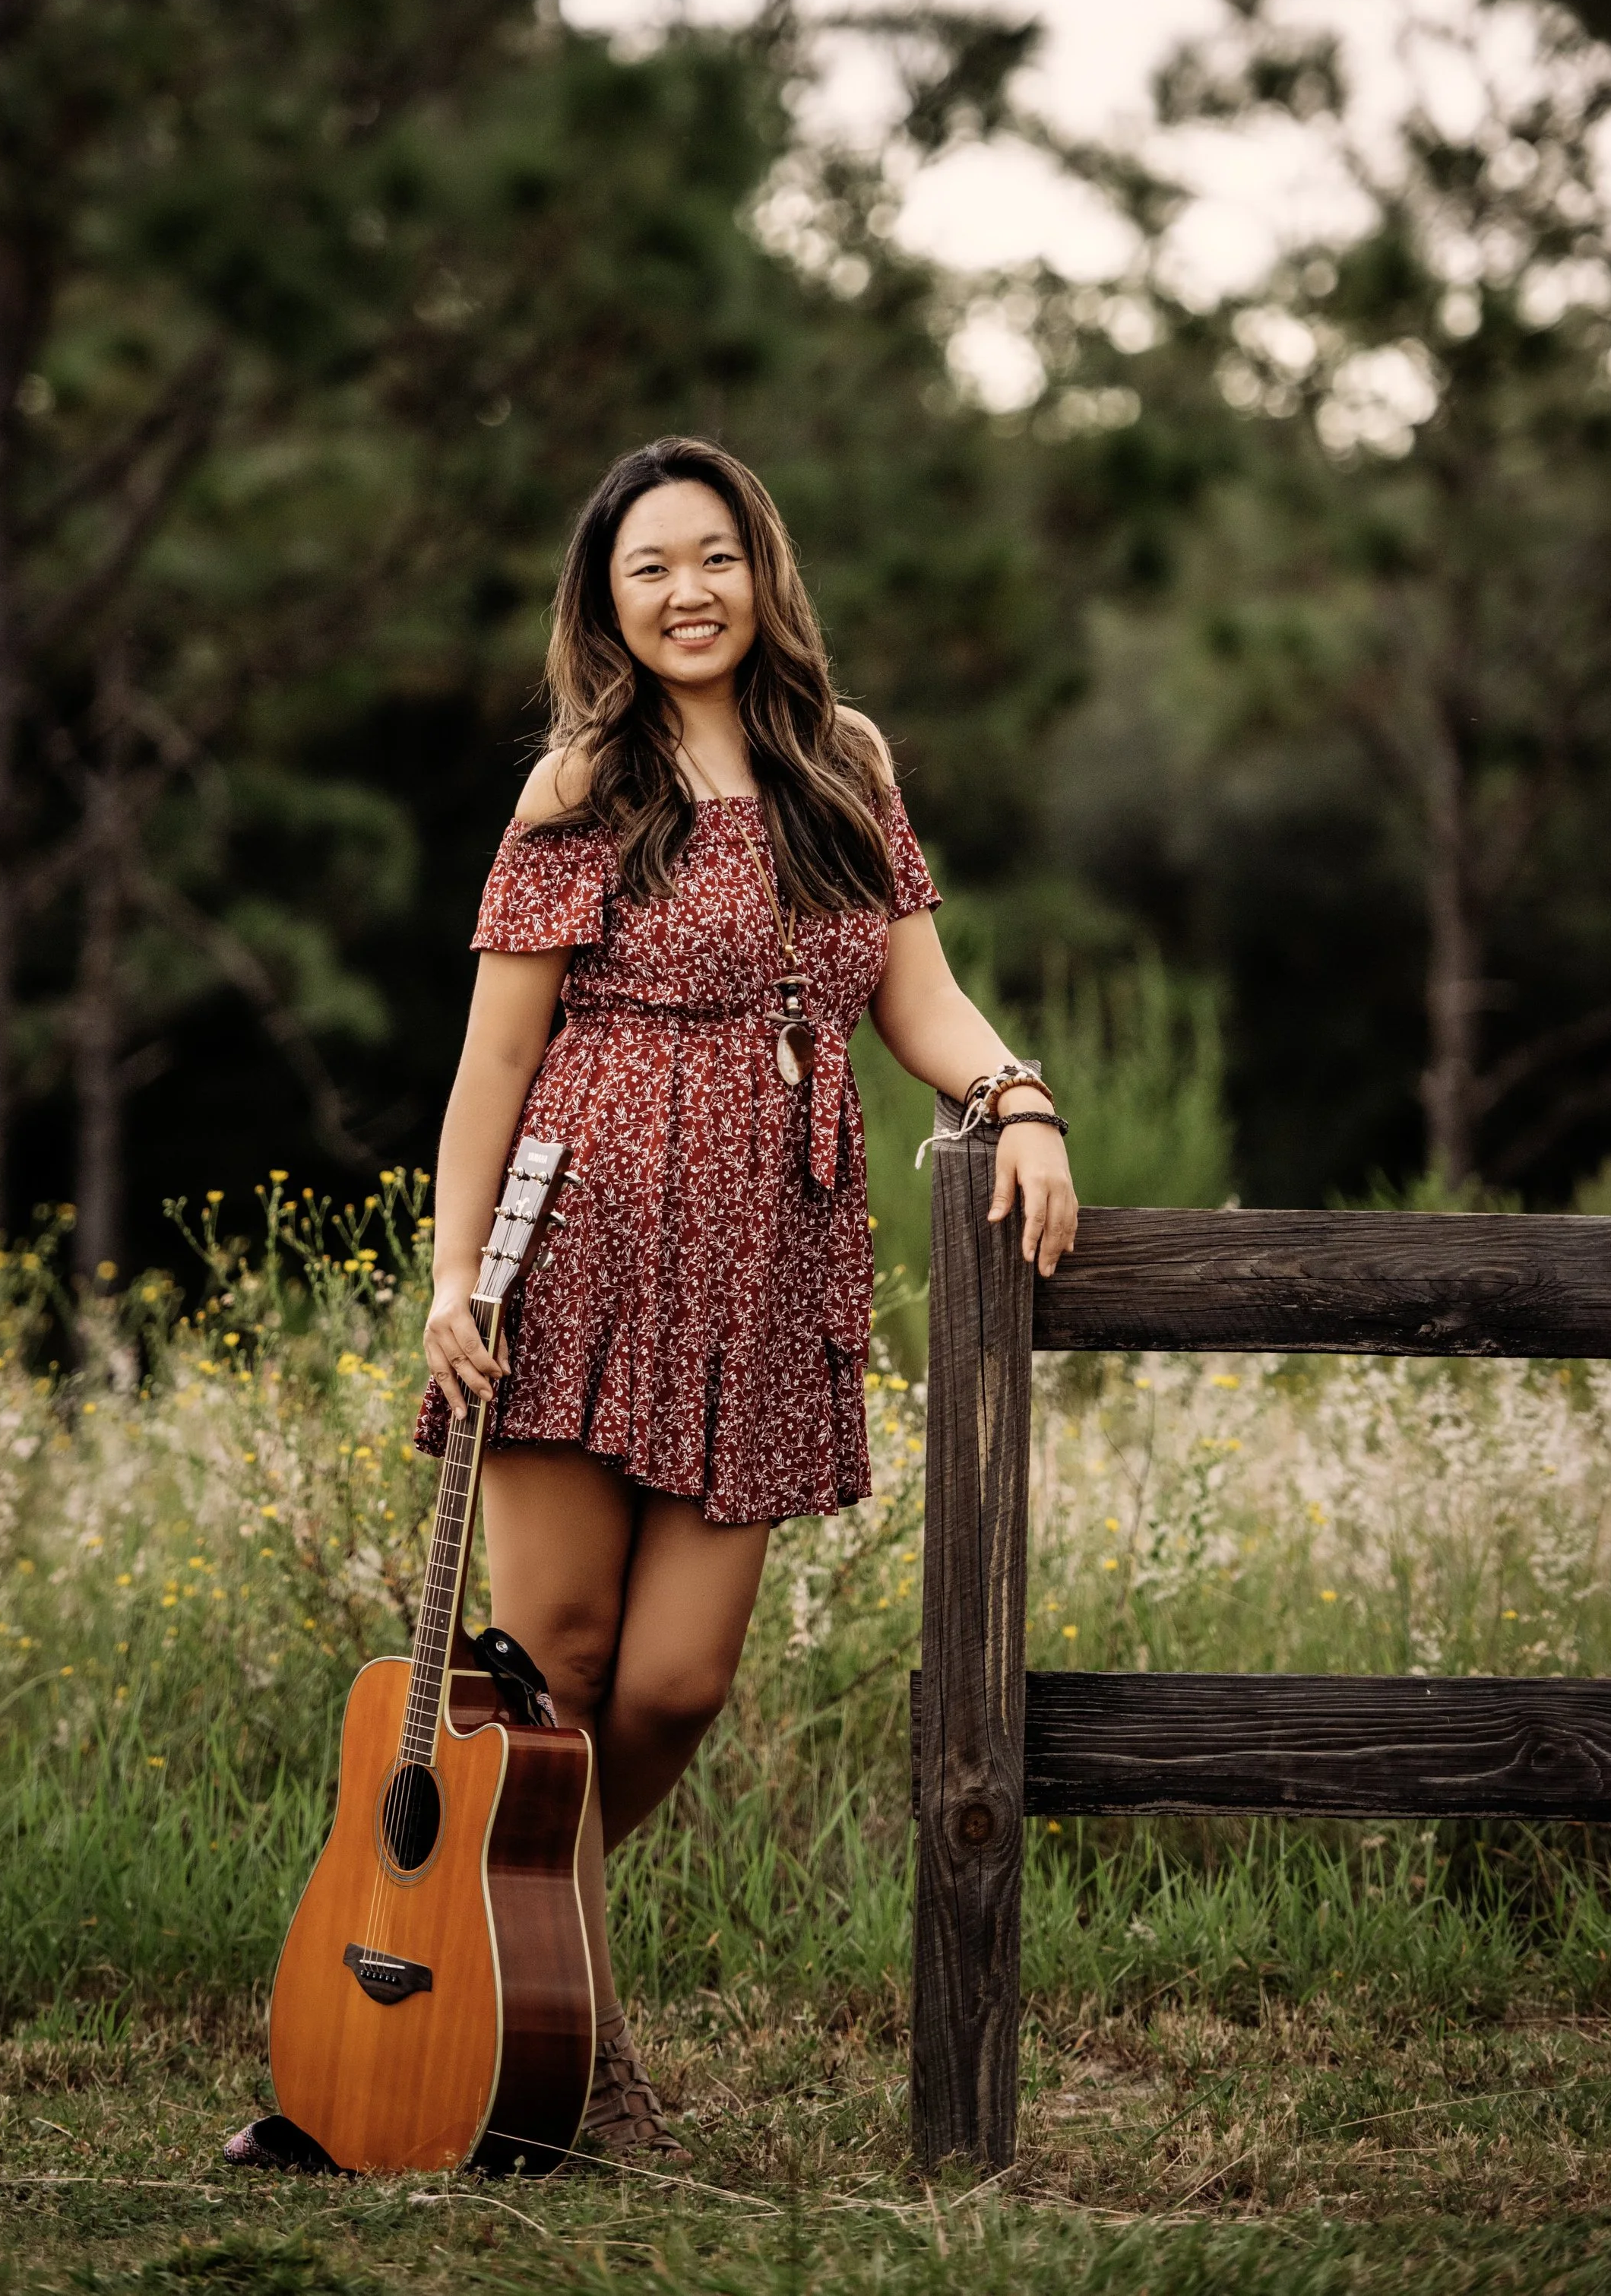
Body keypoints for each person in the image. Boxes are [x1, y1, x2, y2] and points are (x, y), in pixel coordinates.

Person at [226, 434, 1076, 2177]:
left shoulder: (844, 766)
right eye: (646, 568)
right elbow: (495, 1059)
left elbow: (917, 997)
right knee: (558, 1674)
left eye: (711, 557)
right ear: (602, 604)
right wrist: (451, 1279)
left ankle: (487, 1968)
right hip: (584, 1252)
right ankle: (561, 2052)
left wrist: (1018, 1098)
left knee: (678, 1684)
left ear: (759, 571)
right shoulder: (577, 789)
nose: (685, 592)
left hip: (769, 1261)